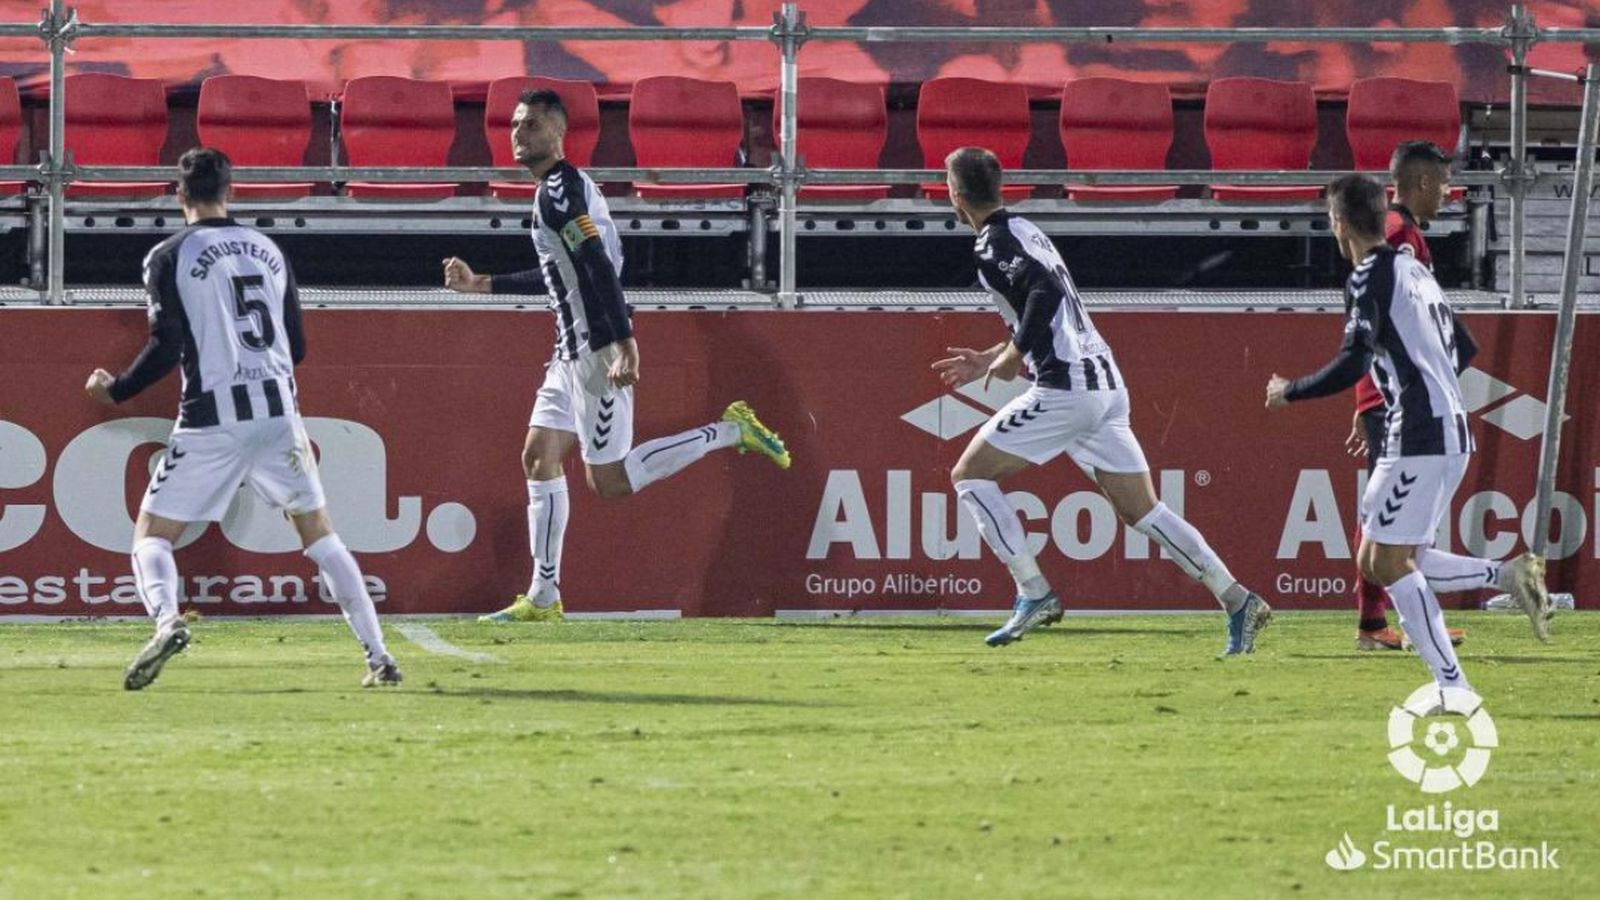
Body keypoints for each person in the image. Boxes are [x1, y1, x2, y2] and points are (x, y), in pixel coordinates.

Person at [442, 90, 790, 623]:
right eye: (514, 123)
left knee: (611, 482)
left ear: (558, 134)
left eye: (531, 124)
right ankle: (543, 595)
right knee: (538, 456)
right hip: (570, 351)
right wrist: (482, 284)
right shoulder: (561, 191)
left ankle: (729, 431)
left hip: (596, 351)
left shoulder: (560, 193)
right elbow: (562, 272)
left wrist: (622, 339)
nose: (518, 133)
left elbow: (596, 265)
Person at [84, 147, 402, 690]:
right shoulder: (268, 250)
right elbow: (296, 345)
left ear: (178, 194)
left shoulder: (168, 255)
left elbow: (167, 344)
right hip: (279, 412)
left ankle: (166, 622)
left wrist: (118, 390)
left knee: (152, 535)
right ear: (232, 192)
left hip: (212, 417)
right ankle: (379, 657)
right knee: (321, 535)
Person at [935, 147, 1272, 653]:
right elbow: (1050, 306)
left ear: (954, 196)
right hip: (1104, 384)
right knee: (1144, 511)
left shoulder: (992, 245)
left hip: (1067, 388)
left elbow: (1043, 292)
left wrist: (1013, 353)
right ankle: (1238, 599)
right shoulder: (1025, 229)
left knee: (969, 475)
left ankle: (1034, 593)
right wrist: (994, 356)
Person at [1266, 175, 1552, 692]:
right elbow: (1461, 349)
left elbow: (1354, 357)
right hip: (1431, 429)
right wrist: (1403, 382)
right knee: (1376, 560)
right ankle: (1507, 577)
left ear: (1339, 222)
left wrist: (1293, 390)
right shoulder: (1415, 271)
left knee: (1392, 563)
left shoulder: (1368, 274)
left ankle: (1453, 687)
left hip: (1422, 436)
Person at [1349, 140, 1467, 651]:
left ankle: (1404, 620)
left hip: (1394, 395)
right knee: (1385, 518)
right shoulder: (1399, 237)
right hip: (1397, 399)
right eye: (1442, 182)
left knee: (1392, 515)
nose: (1448, 191)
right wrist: (1370, 398)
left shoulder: (1406, 233)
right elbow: (1379, 320)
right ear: (1419, 183)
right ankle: (1375, 625)